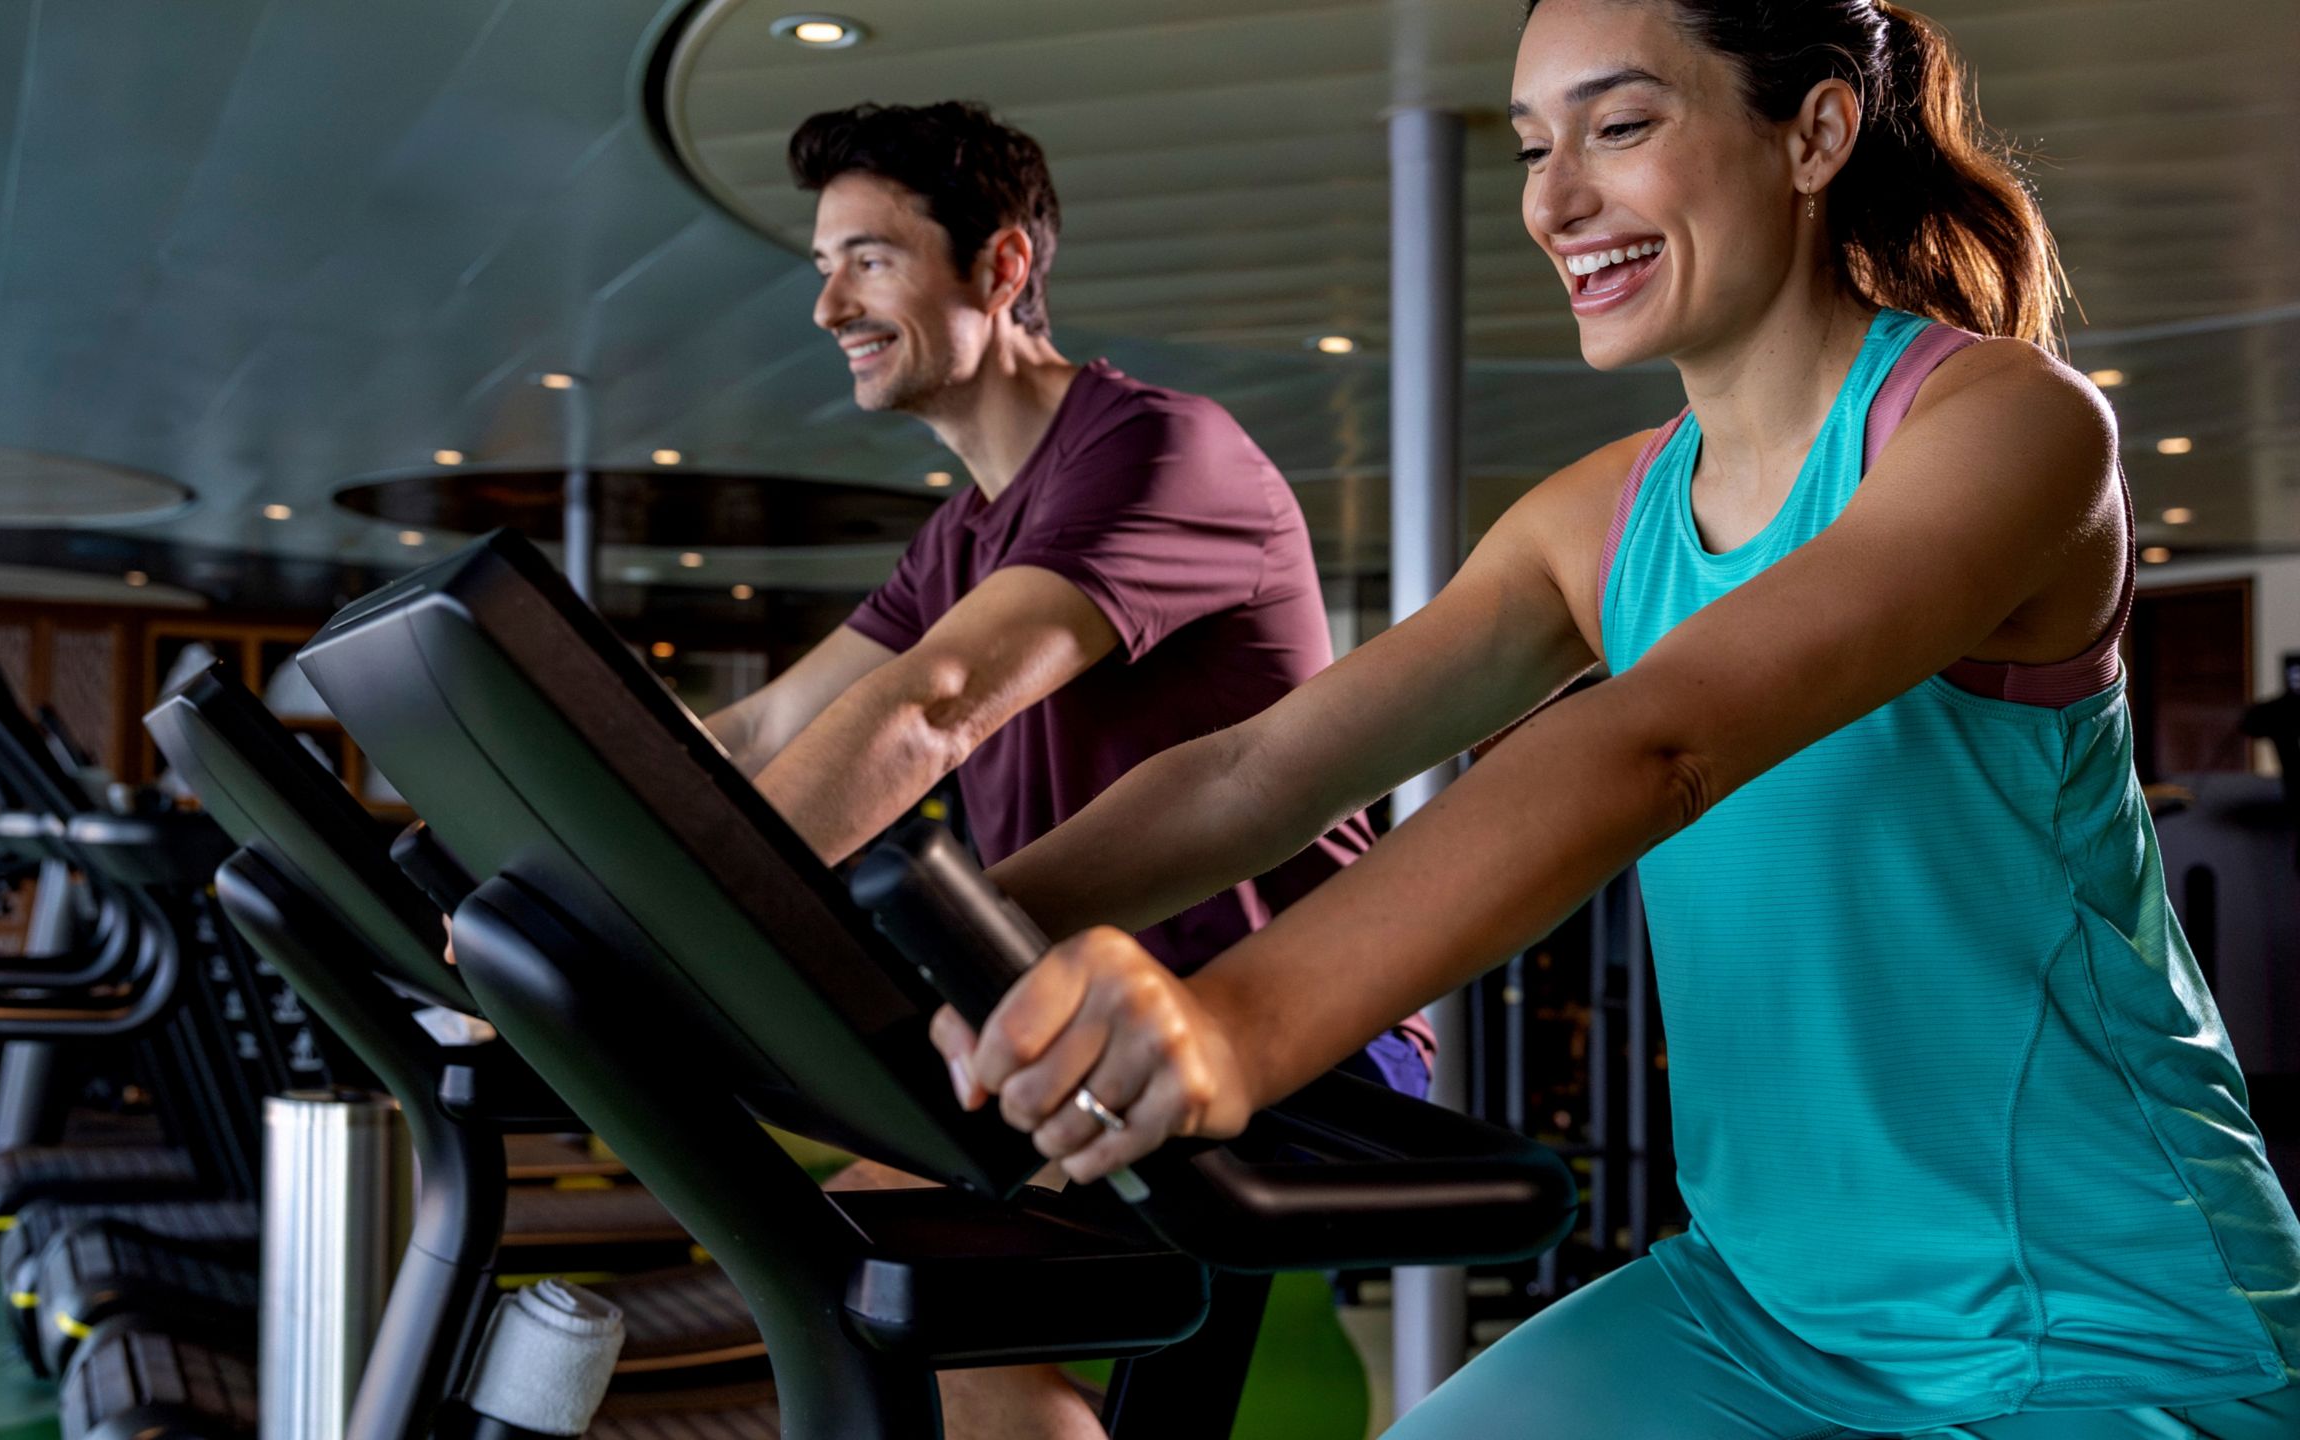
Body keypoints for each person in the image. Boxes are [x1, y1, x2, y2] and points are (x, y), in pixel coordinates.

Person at [933, 4, 2300, 1437]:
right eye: (1532, 146)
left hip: (2100, 1321)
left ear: (1816, 133)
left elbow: (1664, 743)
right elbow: (1256, 771)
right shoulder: (1599, 517)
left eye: (1620, 126)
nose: (1554, 198)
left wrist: (1234, 1028)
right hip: (1767, 1306)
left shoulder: (2008, 430)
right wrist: (932, 935)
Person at [697, 101, 1431, 1437]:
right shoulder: (964, 532)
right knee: (868, 1256)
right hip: (1066, 1011)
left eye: (868, 259)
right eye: (822, 266)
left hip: (1288, 1020)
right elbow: (760, 735)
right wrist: (553, 842)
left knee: (884, 1248)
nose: (829, 309)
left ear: (1004, 265)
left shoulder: (1157, 450)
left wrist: (675, 914)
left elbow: (937, 705)